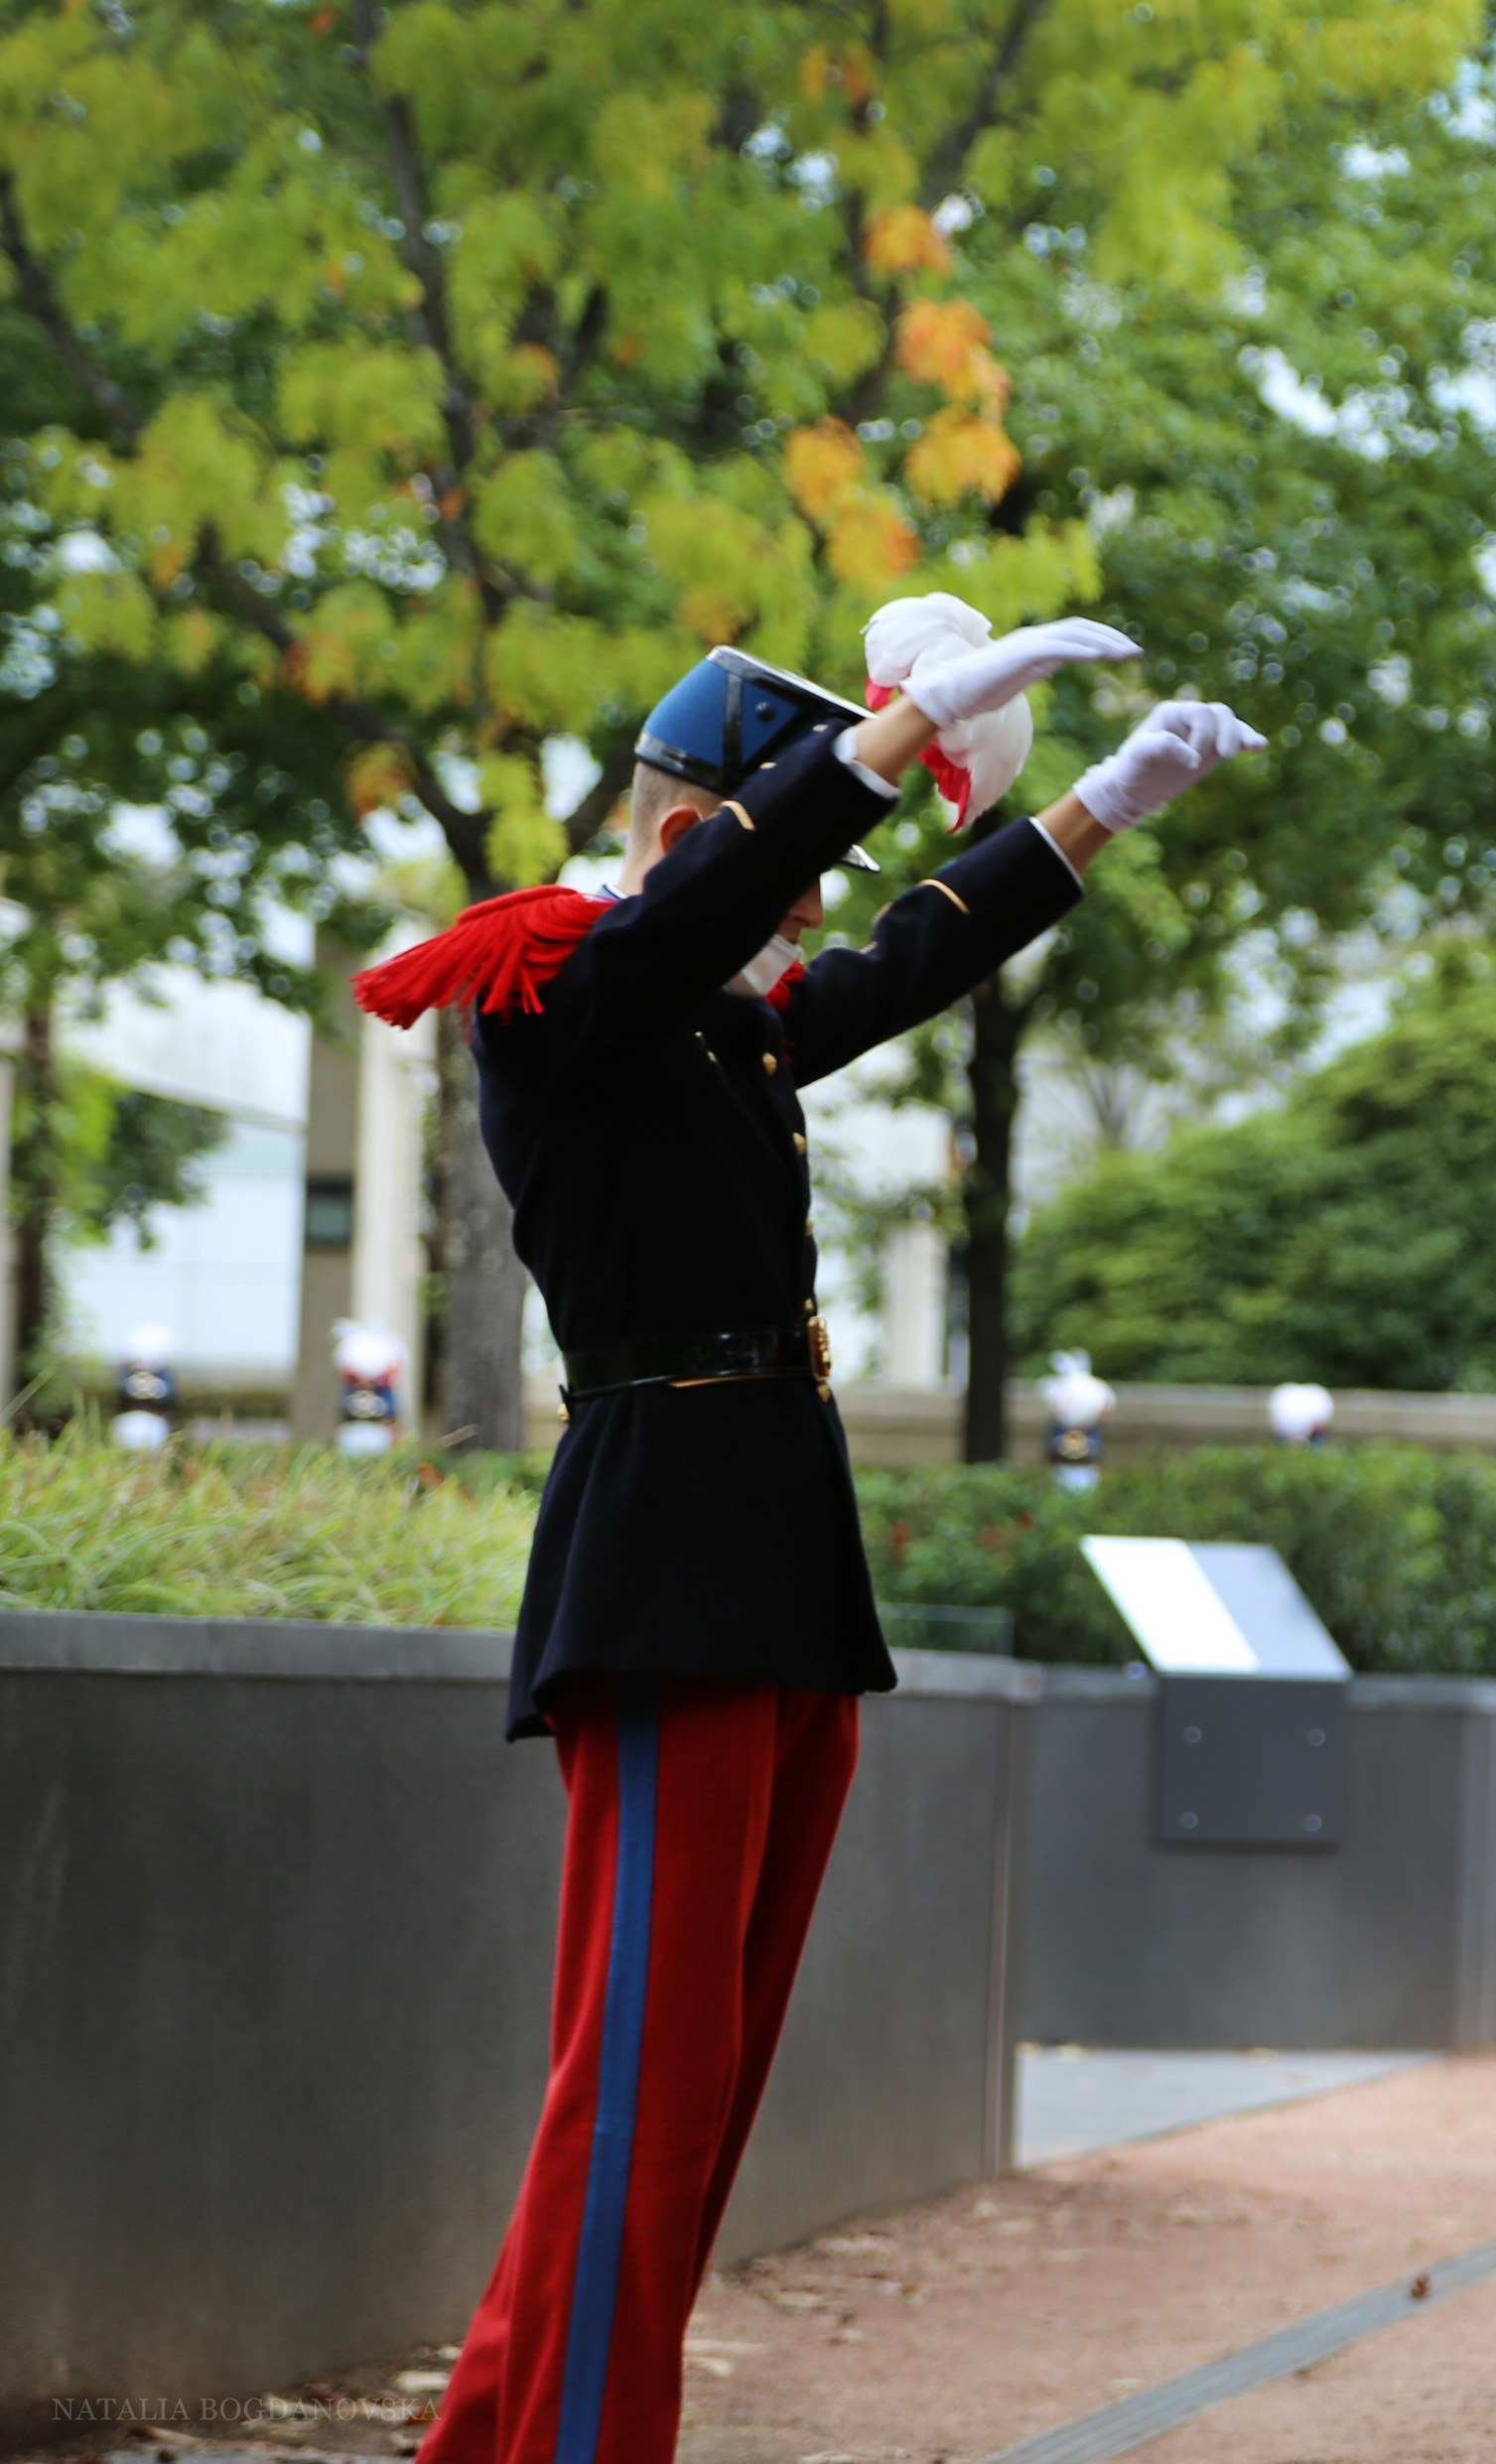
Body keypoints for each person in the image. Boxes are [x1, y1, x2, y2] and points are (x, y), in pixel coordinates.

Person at [354, 606, 1262, 2464]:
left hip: (770, 1564)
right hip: (667, 1567)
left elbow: (904, 960)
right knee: (636, 2089)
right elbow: (693, 925)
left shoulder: (706, 1012)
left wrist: (1097, 806)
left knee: (703, 2086)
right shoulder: (562, 981)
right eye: (775, 884)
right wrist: (899, 728)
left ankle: (486, 2439)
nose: (797, 938)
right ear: (699, 840)